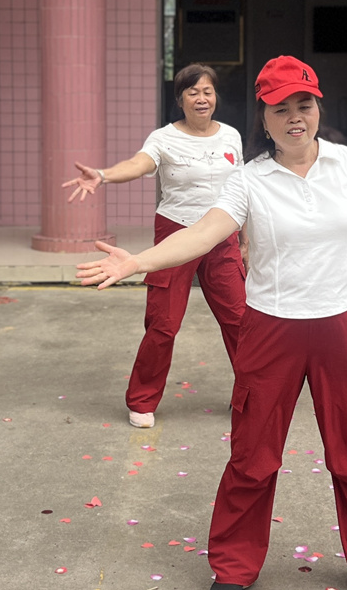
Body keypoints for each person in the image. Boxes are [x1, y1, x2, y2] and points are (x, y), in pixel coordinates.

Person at [79, 56, 347, 590]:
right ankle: (233, 565)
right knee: (253, 455)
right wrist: (137, 262)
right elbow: (203, 234)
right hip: (271, 326)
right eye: (281, 109)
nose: (295, 117)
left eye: (304, 105)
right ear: (264, 118)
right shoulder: (248, 179)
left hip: (343, 324)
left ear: (318, 108)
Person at [63, 63, 246, 428]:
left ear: (215, 97)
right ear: (180, 99)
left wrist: (246, 241)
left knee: (240, 319)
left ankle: (251, 393)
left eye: (207, 91)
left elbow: (243, 190)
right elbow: (139, 164)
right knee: (163, 323)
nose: (201, 98)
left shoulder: (231, 136)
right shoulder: (163, 138)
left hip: (222, 234)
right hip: (176, 231)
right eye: (193, 92)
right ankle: (142, 400)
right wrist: (103, 176)